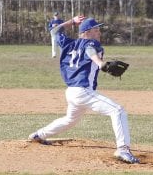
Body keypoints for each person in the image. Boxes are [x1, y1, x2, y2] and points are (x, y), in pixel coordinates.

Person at [28, 16, 140, 164]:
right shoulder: (91, 43)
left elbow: (54, 31)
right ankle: (123, 149)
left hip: (72, 92)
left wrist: (71, 22)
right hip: (83, 91)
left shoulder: (68, 44)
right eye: (96, 29)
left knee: (70, 120)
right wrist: (100, 63)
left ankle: (38, 135)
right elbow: (89, 50)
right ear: (86, 32)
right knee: (118, 111)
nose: (99, 33)